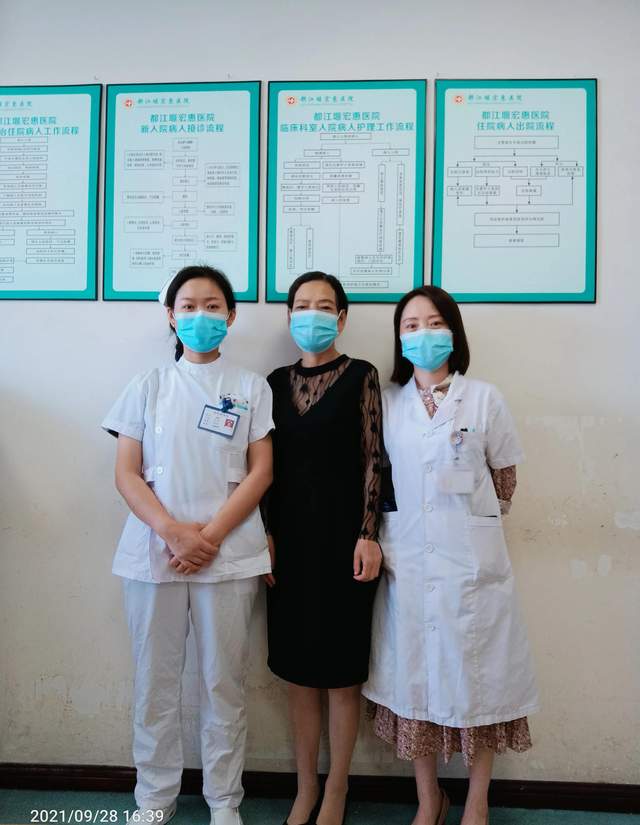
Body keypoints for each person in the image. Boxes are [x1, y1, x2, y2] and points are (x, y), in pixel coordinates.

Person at [102, 265, 274, 825]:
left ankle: (224, 800)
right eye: (189, 306)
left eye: (213, 305)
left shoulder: (251, 386)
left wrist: (210, 536)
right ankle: (154, 799)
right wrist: (173, 532)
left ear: (231, 315)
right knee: (155, 682)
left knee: (223, 682)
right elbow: (126, 473)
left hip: (229, 552)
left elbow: (261, 472)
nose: (202, 315)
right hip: (156, 552)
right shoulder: (147, 385)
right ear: (172, 316)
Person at [363, 286, 539, 825]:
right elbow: (376, 478)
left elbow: (504, 480)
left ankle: (477, 803)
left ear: (454, 332)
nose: (423, 334)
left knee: (478, 685)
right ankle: (428, 800)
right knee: (413, 684)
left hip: (471, 569)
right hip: (408, 563)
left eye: (434, 322)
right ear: (399, 338)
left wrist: (470, 529)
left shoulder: (484, 398)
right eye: (411, 325)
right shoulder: (386, 403)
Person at [264, 271, 383, 825]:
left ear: (341, 317)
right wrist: (264, 536)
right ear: (289, 315)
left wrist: (368, 534)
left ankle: (338, 787)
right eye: (302, 305)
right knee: (299, 673)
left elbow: (374, 459)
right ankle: (305, 786)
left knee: (340, 673)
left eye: (324, 305)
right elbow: (260, 468)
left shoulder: (362, 375)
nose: (312, 314)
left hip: (345, 545)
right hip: (288, 546)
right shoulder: (272, 382)